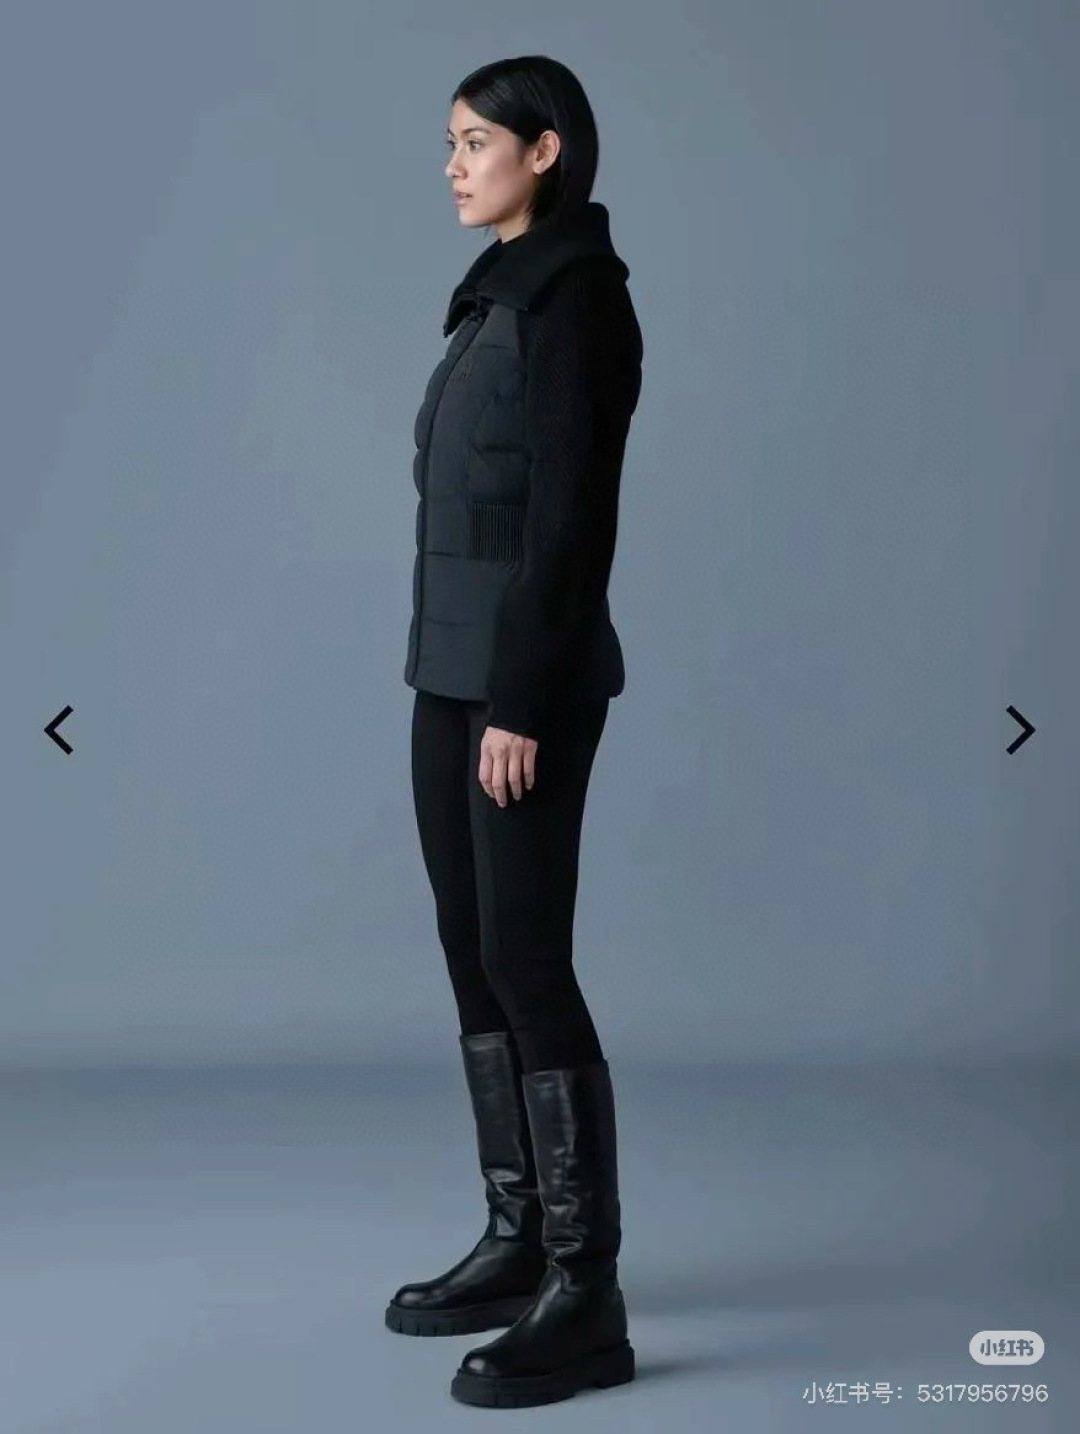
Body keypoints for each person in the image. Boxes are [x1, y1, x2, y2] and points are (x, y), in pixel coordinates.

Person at [385, 54, 644, 1410]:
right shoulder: (494, 292)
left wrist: (524, 702)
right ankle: (520, 1237)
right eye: (448, 142)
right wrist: (464, 686)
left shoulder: (576, 295)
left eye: (475, 141)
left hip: (520, 687)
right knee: (468, 949)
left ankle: (587, 1290)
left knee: (526, 957)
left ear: (545, 151)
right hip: (448, 675)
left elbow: (570, 521)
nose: (453, 164)